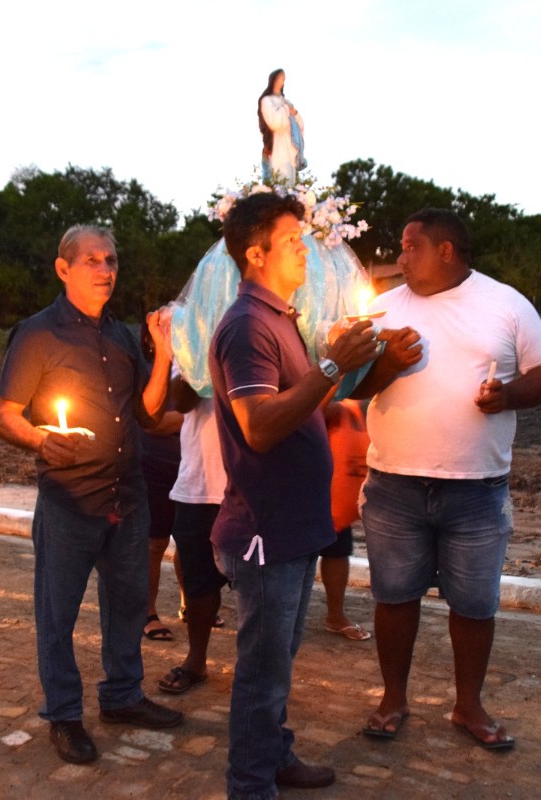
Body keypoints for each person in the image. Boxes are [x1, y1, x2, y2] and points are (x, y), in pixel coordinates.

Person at [351, 208, 541, 747]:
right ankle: (392, 698)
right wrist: (388, 366)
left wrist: (511, 395)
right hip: (394, 485)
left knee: (474, 604)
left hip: (476, 488)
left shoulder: (506, 303)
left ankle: (468, 707)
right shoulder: (382, 309)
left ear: (445, 251)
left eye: (409, 246)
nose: (399, 258)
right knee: (394, 597)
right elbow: (351, 387)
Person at [0, 224, 182, 766]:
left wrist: (163, 353)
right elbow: (4, 417)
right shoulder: (37, 334)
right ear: (63, 268)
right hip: (70, 502)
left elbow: (147, 411)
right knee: (58, 614)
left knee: (126, 606)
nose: (106, 270)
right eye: (93, 260)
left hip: (127, 495)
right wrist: (39, 439)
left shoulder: (121, 336)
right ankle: (65, 714)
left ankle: (122, 697)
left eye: (111, 260)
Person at [209, 192, 377, 798]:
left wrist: (345, 366)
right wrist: (331, 367)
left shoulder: (279, 318)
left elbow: (302, 408)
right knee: (261, 672)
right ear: (256, 254)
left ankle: (273, 755)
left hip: (292, 526)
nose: (305, 248)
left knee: (278, 663)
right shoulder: (248, 326)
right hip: (264, 530)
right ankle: (250, 785)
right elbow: (258, 425)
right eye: (291, 241)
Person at [155, 372, 228, 695]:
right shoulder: (193, 333)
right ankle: (196, 661)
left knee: (263, 587)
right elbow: (183, 400)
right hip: (200, 483)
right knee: (199, 585)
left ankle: (265, 673)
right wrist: (204, 354)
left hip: (255, 485)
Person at [138, 322, 185, 642]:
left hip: (190, 467)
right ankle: (148, 612)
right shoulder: (146, 373)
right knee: (154, 544)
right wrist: (190, 418)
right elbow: (151, 422)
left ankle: (190, 604)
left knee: (192, 542)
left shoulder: (194, 371)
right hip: (154, 467)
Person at [319, 398, 371, 641]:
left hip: (335, 488)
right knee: (294, 554)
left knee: (337, 548)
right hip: (305, 476)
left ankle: (335, 616)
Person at [258, 68, 306, 185]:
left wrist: (294, 112)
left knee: (289, 184)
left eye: (283, 79)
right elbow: (275, 123)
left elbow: (300, 126)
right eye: (280, 78)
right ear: (273, 80)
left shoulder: (286, 102)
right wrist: (285, 109)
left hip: (289, 148)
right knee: (278, 180)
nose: (282, 81)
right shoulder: (267, 100)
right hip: (276, 147)